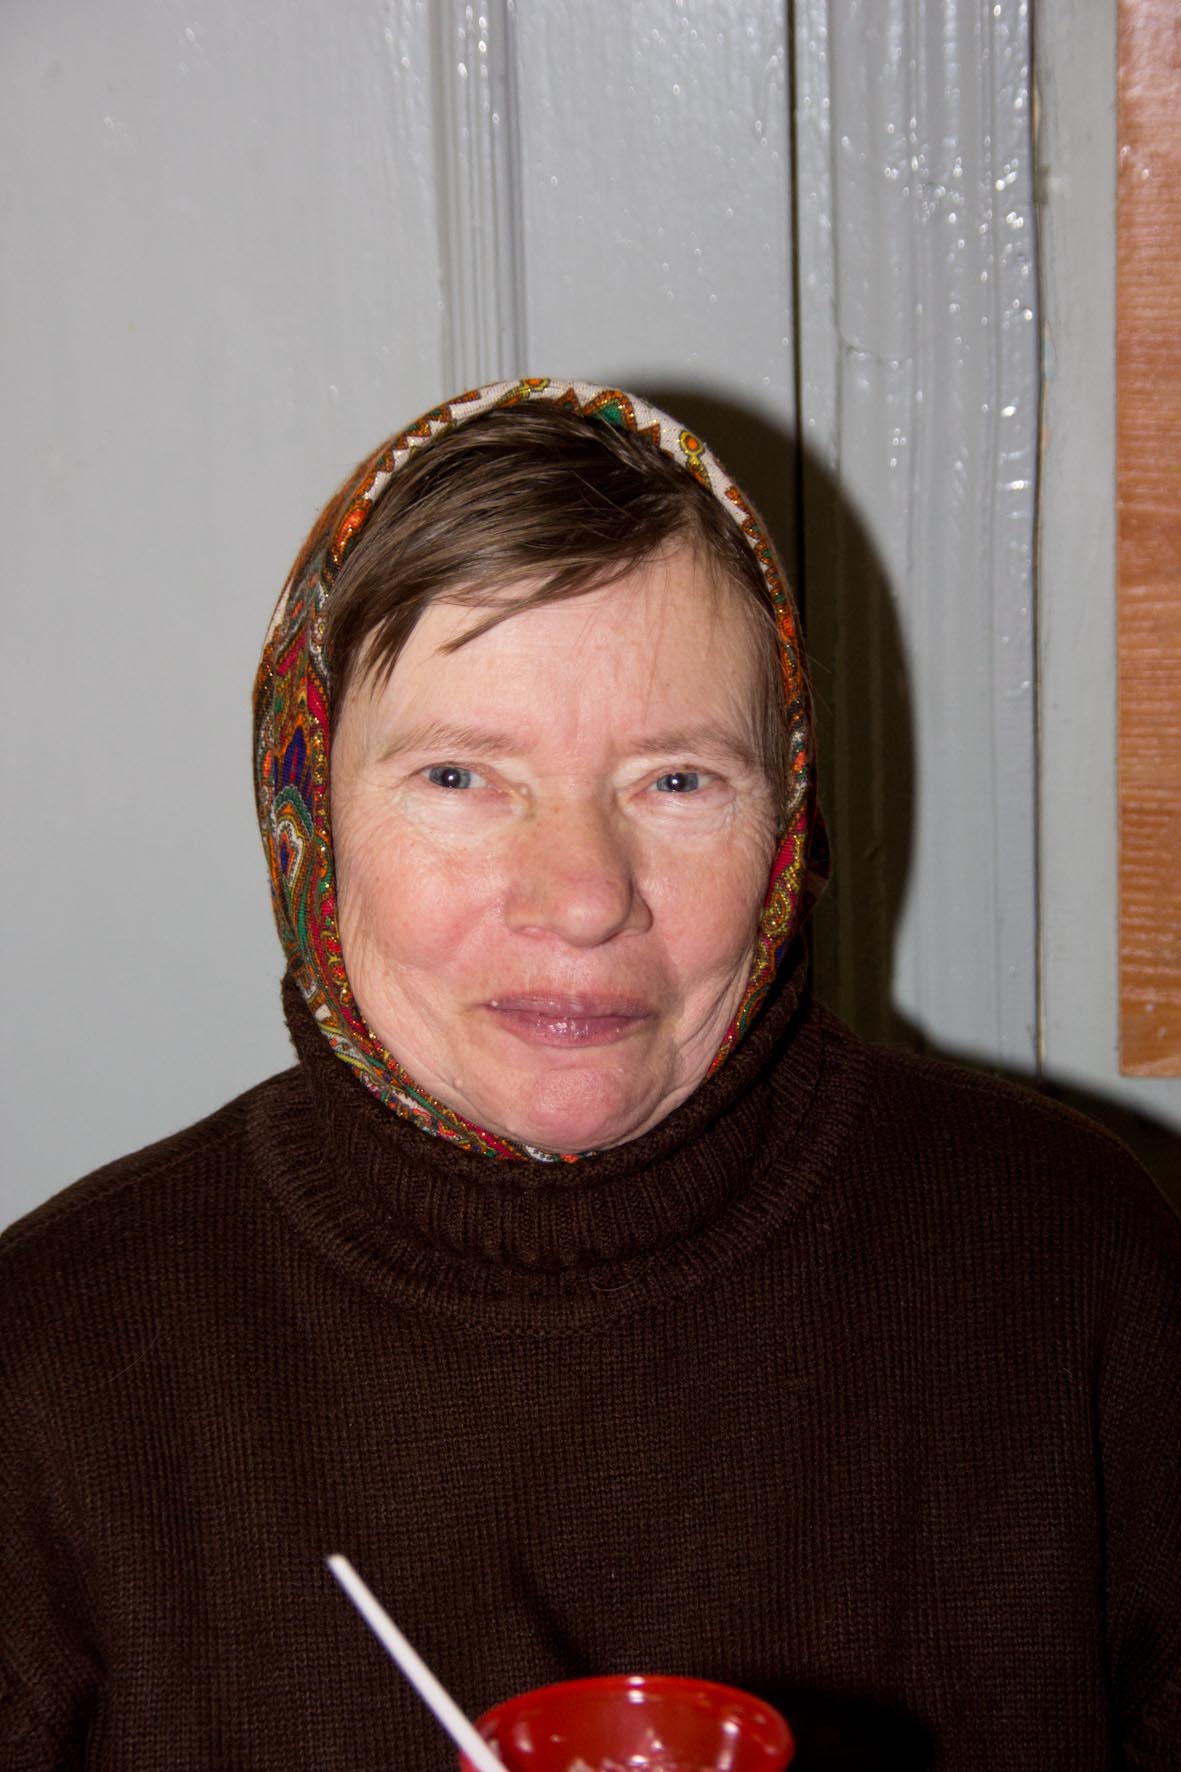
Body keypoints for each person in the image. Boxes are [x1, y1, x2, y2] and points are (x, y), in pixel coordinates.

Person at [1, 378, 1178, 1771]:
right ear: (305, 812)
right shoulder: (56, 1365)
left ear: (787, 823)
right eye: (459, 777)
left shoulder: (1070, 1271)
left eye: (676, 781)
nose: (580, 896)